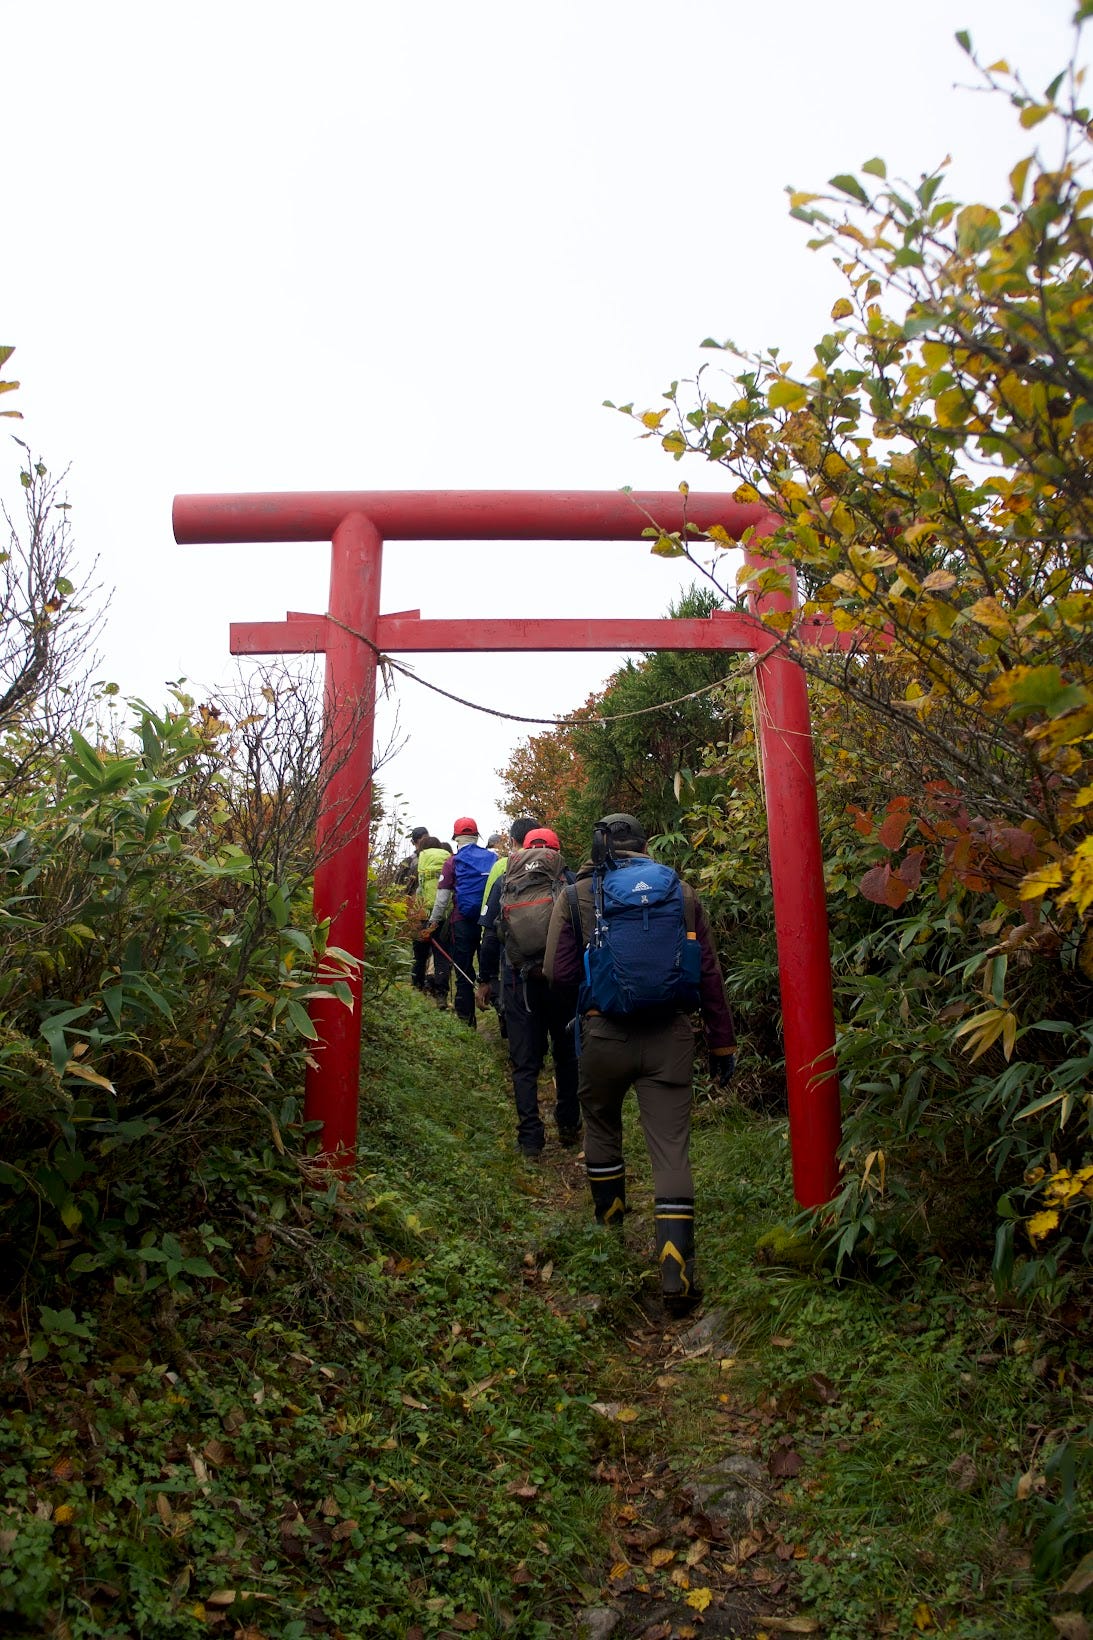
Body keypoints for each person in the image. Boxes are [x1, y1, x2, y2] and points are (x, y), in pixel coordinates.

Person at [543, 812, 736, 1317]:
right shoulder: (682, 893)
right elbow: (709, 974)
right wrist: (722, 1045)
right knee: (671, 1152)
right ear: (646, 845)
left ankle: (609, 1246)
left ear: (603, 846)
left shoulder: (575, 895)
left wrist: (584, 1006)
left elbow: (557, 974)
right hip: (671, 1035)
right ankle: (677, 1273)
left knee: (603, 1130)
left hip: (604, 1032)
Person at [477, 822, 580, 1159]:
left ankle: (531, 1140)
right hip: (561, 983)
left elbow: (491, 937)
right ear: (556, 849)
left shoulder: (507, 878)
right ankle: (567, 1124)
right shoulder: (568, 878)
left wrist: (484, 979)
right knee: (566, 1055)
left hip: (518, 982)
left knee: (525, 1063)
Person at [425, 819, 497, 1028]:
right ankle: (504, 1018)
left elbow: (442, 900)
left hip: (462, 922)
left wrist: (433, 923)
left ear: (456, 838)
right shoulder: (493, 858)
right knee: (491, 970)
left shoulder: (452, 862)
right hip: (488, 923)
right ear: (477, 836)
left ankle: (467, 1023)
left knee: (463, 971)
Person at [410, 835, 453, 1004]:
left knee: (419, 955)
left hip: (423, 913)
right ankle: (441, 994)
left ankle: (417, 988)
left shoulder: (420, 860)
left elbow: (418, 888)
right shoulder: (448, 860)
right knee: (442, 956)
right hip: (444, 916)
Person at [395, 825, 430, 891]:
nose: (428, 841)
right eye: (424, 839)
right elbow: (399, 882)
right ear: (414, 842)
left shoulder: (435, 856)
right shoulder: (409, 861)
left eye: (428, 838)